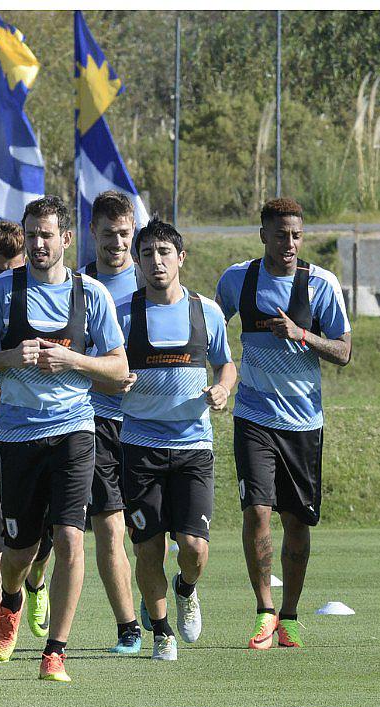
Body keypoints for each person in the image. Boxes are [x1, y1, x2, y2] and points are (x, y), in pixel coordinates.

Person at [0, 195, 127, 682]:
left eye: (47, 235)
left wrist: (73, 361)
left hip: (76, 429)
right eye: (32, 234)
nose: (38, 243)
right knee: (19, 554)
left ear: (66, 239)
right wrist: (13, 356)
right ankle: (12, 599)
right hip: (16, 436)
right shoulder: (2, 292)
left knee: (71, 539)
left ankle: (55, 650)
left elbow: (119, 370)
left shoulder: (90, 294)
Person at [214, 197, 351, 650]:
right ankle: (264, 611)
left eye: (296, 234)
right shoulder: (239, 280)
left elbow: (344, 352)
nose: (289, 243)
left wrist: (303, 334)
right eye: (280, 234)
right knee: (256, 511)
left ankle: (290, 614)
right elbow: (212, 331)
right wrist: (219, 379)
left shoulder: (321, 284)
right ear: (263, 236)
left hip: (304, 422)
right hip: (254, 416)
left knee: (298, 522)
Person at [100, 220, 235, 661]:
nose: (156, 262)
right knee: (148, 549)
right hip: (139, 447)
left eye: (164, 252)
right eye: (147, 254)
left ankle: (186, 589)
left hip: (195, 447)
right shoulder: (121, 313)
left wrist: (223, 388)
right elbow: (98, 372)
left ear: (181, 258)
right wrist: (114, 382)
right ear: (136, 262)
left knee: (194, 549)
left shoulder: (206, 311)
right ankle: (161, 632)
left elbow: (225, 365)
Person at [0, 221, 54, 643]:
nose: (7, 276)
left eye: (15, 267)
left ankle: (36, 582)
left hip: (23, 431)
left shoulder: (30, 298)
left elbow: (33, 375)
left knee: (42, 538)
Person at [80, 191, 145, 653]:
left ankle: (167, 592)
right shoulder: (76, 286)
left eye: (125, 234)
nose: (117, 243)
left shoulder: (154, 281)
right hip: (96, 421)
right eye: (108, 234)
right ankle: (128, 626)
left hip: (149, 425)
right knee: (110, 527)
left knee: (153, 536)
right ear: (92, 233)